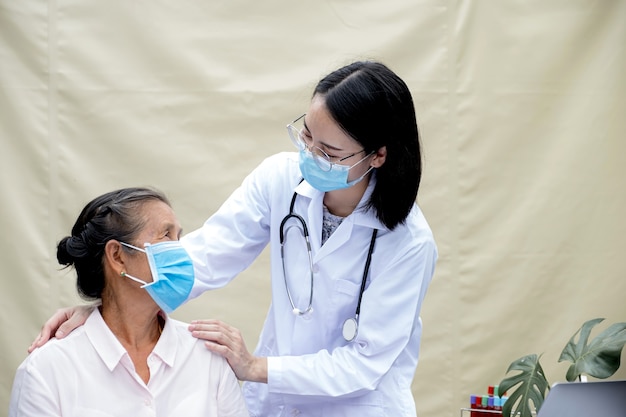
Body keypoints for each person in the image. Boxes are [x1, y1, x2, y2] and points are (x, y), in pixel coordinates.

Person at [30, 61, 437, 416]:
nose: (310, 154)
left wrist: (255, 367)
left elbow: (365, 365)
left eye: (329, 151)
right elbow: (206, 256)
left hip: (357, 407)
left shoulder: (409, 242)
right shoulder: (280, 180)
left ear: (377, 156)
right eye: (307, 134)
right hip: (276, 406)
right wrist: (109, 306)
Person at [13, 187, 248, 417]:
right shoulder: (47, 370)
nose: (181, 250)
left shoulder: (208, 357)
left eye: (179, 236)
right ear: (118, 256)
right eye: (166, 235)